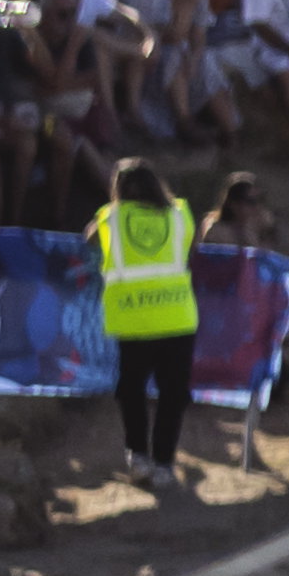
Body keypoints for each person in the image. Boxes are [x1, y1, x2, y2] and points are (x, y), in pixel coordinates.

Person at [97, 153, 208, 471]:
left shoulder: (110, 218)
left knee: (131, 391)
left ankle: (138, 455)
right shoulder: (179, 213)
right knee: (173, 395)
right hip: (177, 318)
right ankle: (163, 462)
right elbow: (192, 250)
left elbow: (90, 239)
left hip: (132, 320)